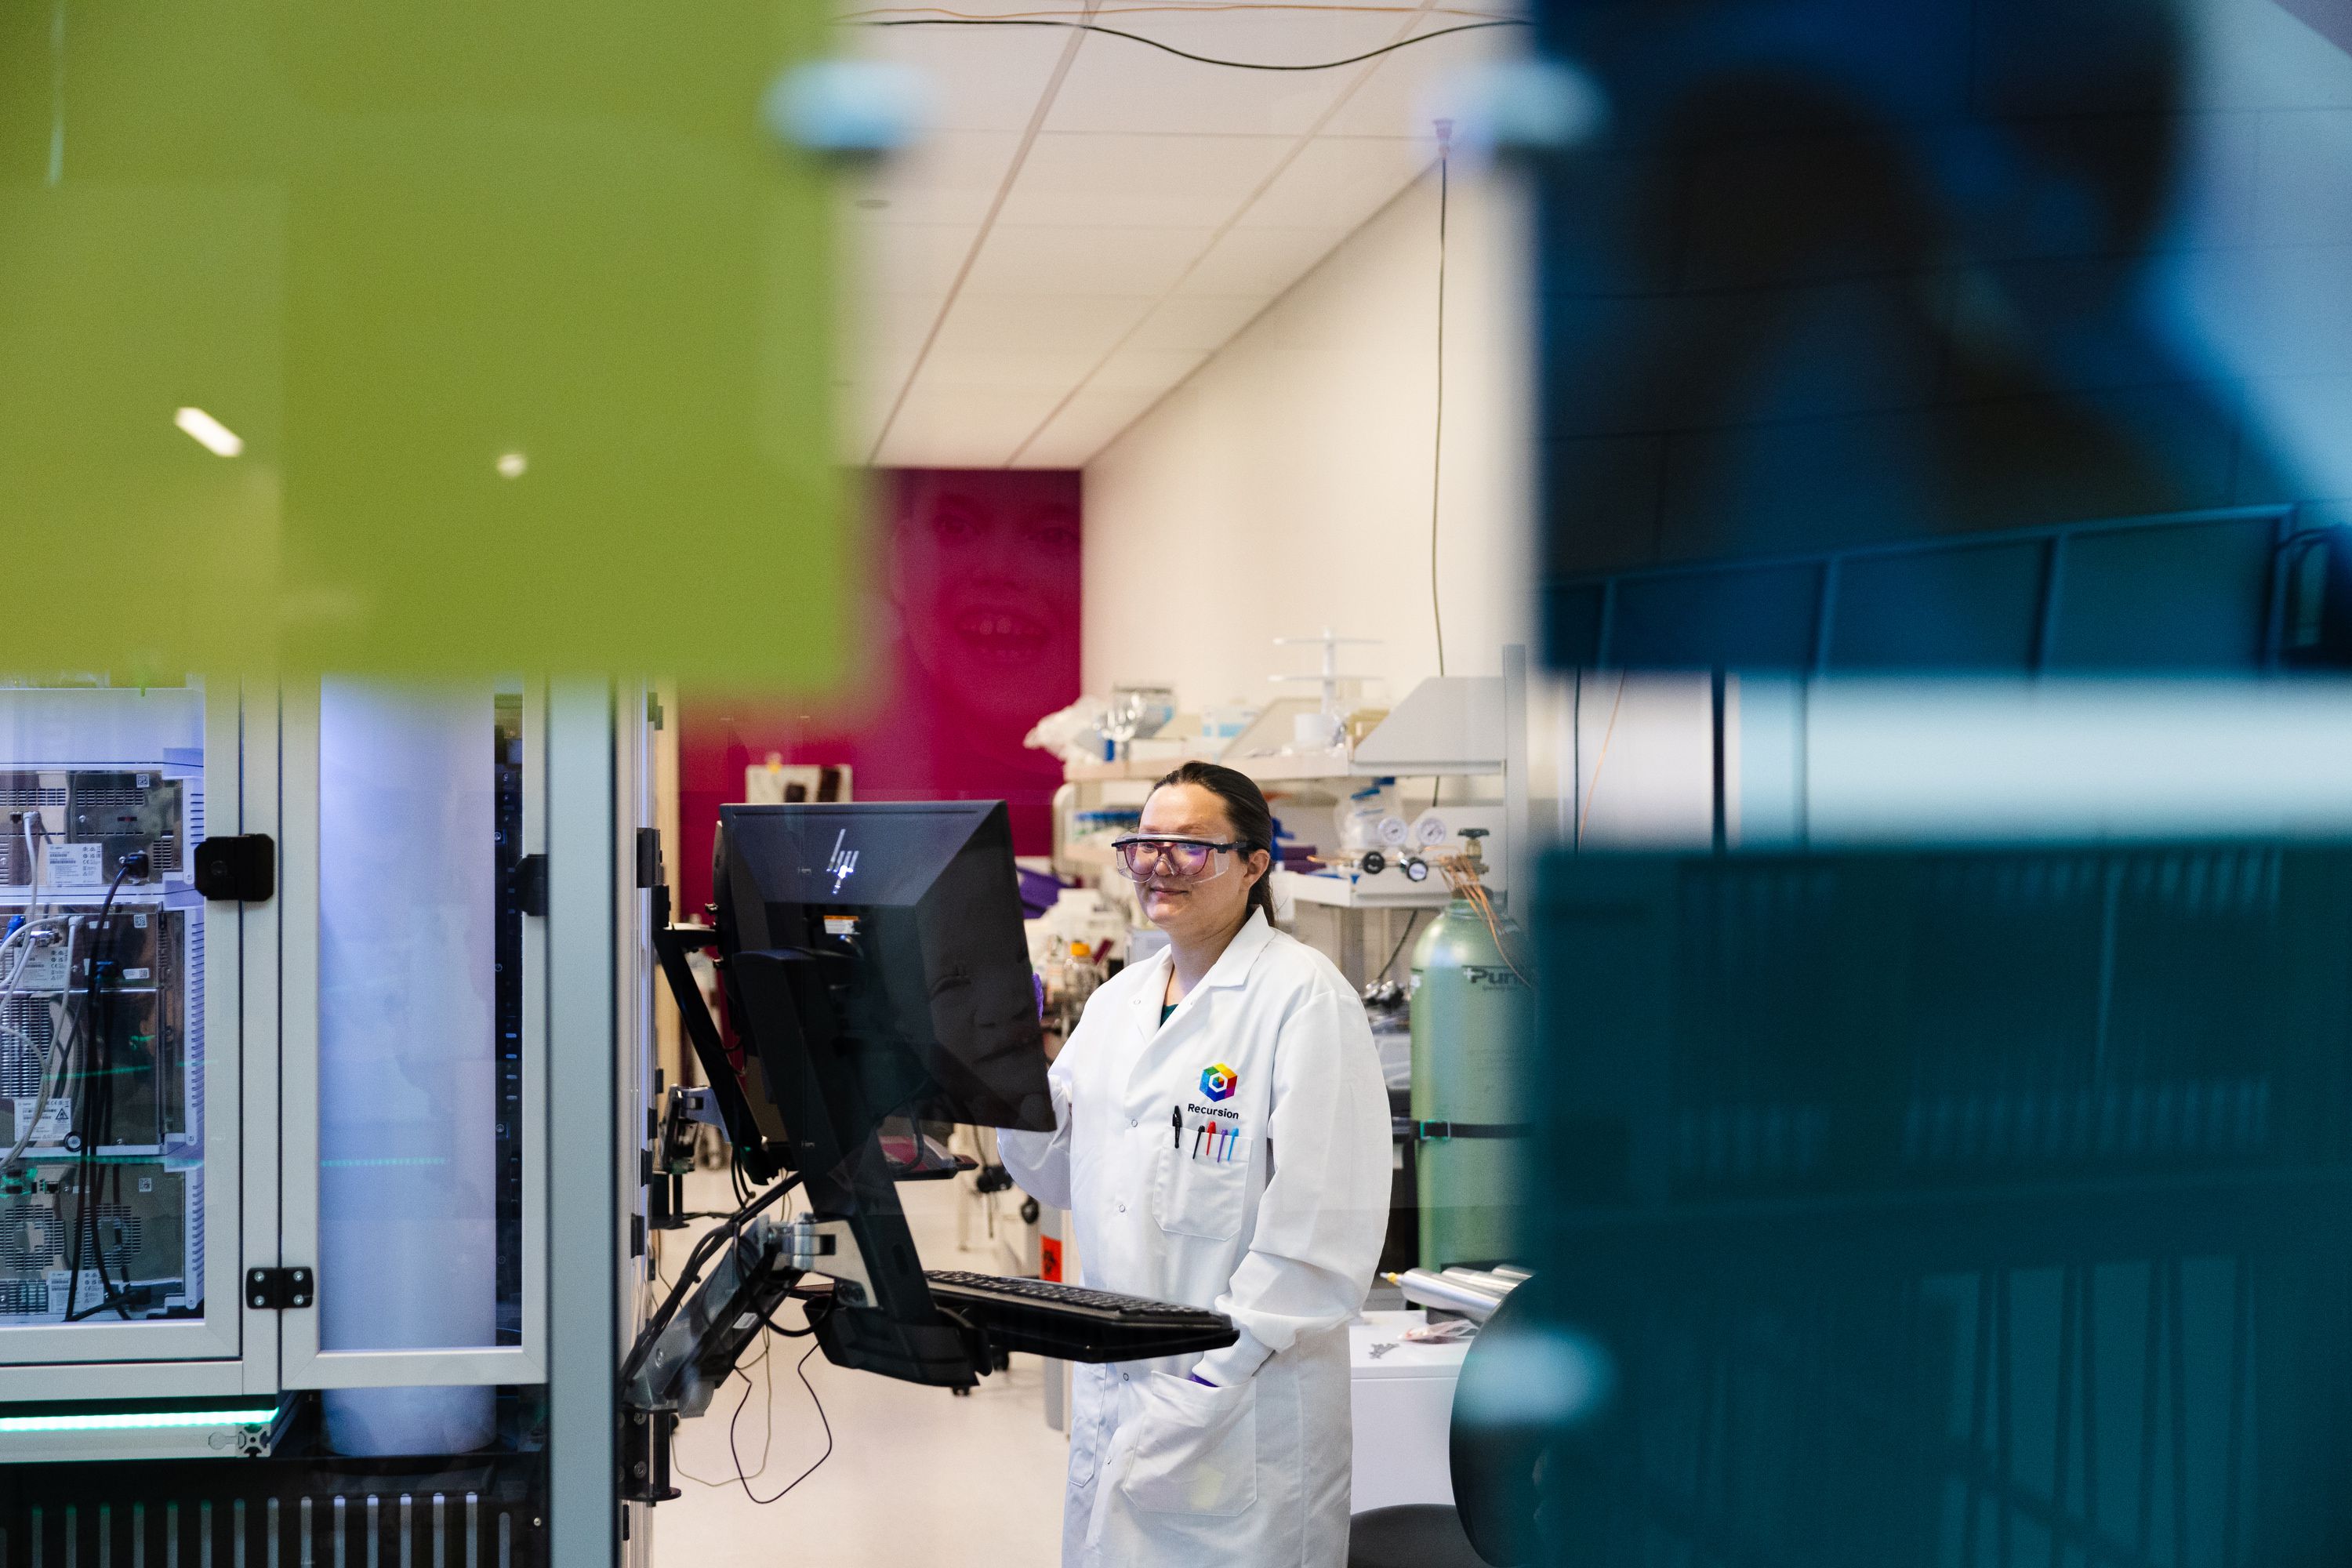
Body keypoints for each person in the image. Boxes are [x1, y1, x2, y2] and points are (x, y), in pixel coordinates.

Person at [999, 761, 1392, 1568]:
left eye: (1188, 844)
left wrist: (1207, 1388)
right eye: (1144, 843)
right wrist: (1007, 1071)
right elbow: (1063, 1177)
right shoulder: (1120, 1001)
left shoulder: (1304, 1000)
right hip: (1121, 1388)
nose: (1157, 863)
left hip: (1241, 1408)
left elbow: (1321, 1240)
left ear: (1255, 863)